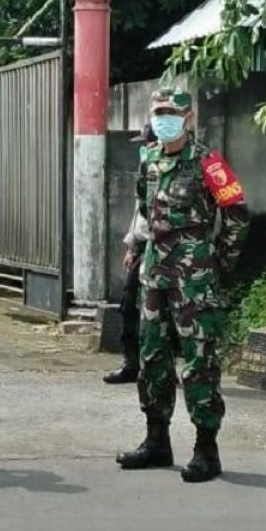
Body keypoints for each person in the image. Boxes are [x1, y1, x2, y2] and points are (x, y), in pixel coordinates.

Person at [117, 88, 249, 483]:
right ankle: (156, 440)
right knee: (152, 357)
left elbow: (238, 216)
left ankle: (206, 450)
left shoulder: (209, 162)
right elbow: (145, 210)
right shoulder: (149, 160)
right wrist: (142, 252)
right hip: (155, 275)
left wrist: (218, 263)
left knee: (199, 361)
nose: (163, 118)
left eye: (171, 112)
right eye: (158, 111)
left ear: (188, 118)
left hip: (195, 278)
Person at [105, 124, 154, 384]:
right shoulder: (147, 172)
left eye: (146, 144)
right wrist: (131, 246)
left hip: (167, 251)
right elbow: (139, 215)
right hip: (142, 248)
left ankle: (160, 366)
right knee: (129, 307)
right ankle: (131, 363)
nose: (143, 149)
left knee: (161, 313)